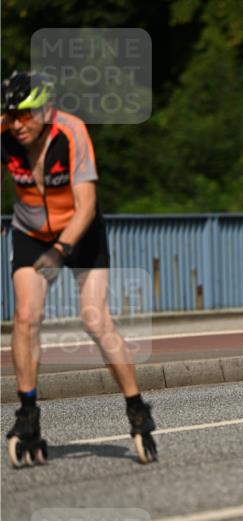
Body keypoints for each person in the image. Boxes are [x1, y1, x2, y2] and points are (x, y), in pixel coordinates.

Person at [1, 70, 158, 465]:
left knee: (95, 319)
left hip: (80, 229)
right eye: (10, 115)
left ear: (45, 109)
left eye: (24, 115)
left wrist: (60, 251)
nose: (16, 124)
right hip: (31, 230)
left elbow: (86, 204)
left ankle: (136, 407)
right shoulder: (4, 132)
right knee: (25, 316)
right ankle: (28, 412)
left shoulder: (71, 133)